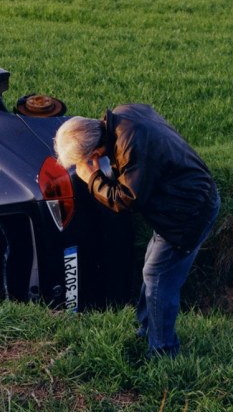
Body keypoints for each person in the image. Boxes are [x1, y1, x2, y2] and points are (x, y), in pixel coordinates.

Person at [54, 105, 219, 358]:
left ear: (94, 154)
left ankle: (163, 352)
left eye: (81, 162)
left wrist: (93, 178)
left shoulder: (131, 147)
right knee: (152, 270)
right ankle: (146, 332)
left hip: (188, 212)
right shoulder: (122, 117)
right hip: (179, 201)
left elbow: (127, 200)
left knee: (159, 279)